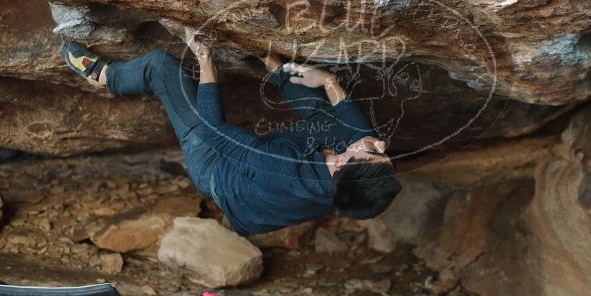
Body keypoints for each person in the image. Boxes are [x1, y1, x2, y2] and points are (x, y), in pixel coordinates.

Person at [61, 30, 401, 235]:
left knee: (162, 67)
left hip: (215, 171)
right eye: (384, 153)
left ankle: (106, 76)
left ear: (342, 165)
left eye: (375, 154)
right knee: (327, 124)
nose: (381, 144)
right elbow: (357, 131)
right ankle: (271, 61)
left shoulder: (281, 167)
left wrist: (204, 57)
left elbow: (212, 131)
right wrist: (327, 80)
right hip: (259, 198)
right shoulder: (350, 176)